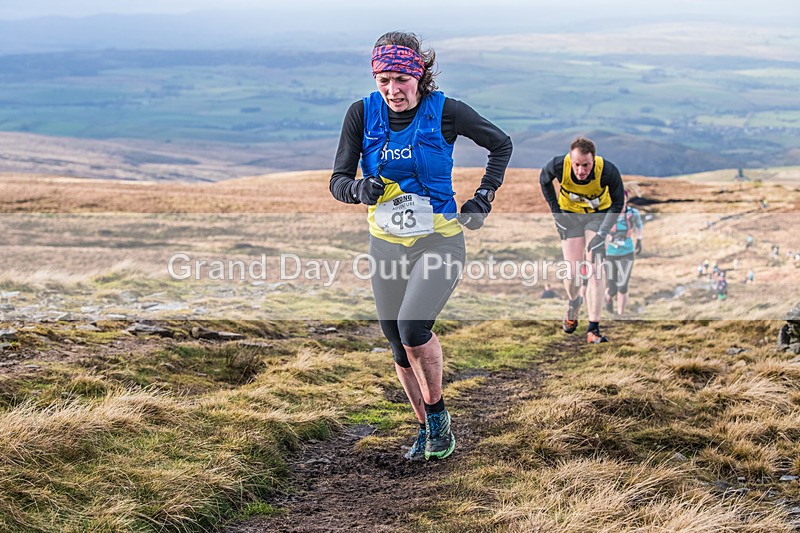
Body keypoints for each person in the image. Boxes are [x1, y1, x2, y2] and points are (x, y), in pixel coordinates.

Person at [329, 31, 512, 461]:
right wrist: (359, 189)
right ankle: (428, 428)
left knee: (413, 328)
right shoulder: (360, 114)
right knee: (395, 341)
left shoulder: (446, 111)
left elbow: (500, 144)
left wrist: (484, 196)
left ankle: (439, 417)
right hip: (386, 245)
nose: (392, 90)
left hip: (439, 240)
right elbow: (337, 182)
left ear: (419, 73)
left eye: (400, 79)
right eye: (383, 81)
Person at [540, 137, 624, 343]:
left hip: (598, 216)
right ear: (570, 159)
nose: (580, 170)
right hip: (569, 217)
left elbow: (618, 202)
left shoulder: (608, 172)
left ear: (593, 161)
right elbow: (544, 180)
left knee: (596, 270)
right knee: (573, 272)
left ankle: (593, 329)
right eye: (577, 164)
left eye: (585, 165)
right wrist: (556, 213)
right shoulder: (558, 165)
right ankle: (574, 302)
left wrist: (603, 233)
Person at [604, 189, 643, 315]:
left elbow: (639, 226)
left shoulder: (633, 213)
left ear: (626, 199)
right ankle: (608, 299)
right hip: (610, 253)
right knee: (612, 288)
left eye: (623, 198)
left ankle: (621, 314)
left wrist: (639, 240)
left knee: (623, 286)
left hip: (627, 252)